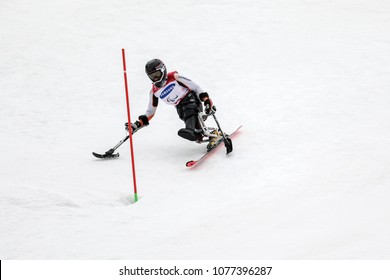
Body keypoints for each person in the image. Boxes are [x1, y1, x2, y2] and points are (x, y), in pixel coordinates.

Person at [126, 58, 220, 146]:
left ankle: (190, 130)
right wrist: (138, 124)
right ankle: (211, 135)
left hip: (191, 99)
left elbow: (196, 87)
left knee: (189, 111)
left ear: (163, 70)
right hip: (179, 107)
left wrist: (206, 100)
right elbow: (151, 111)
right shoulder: (154, 92)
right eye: (152, 76)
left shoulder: (175, 77)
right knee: (197, 132)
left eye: (157, 75)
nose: (155, 79)